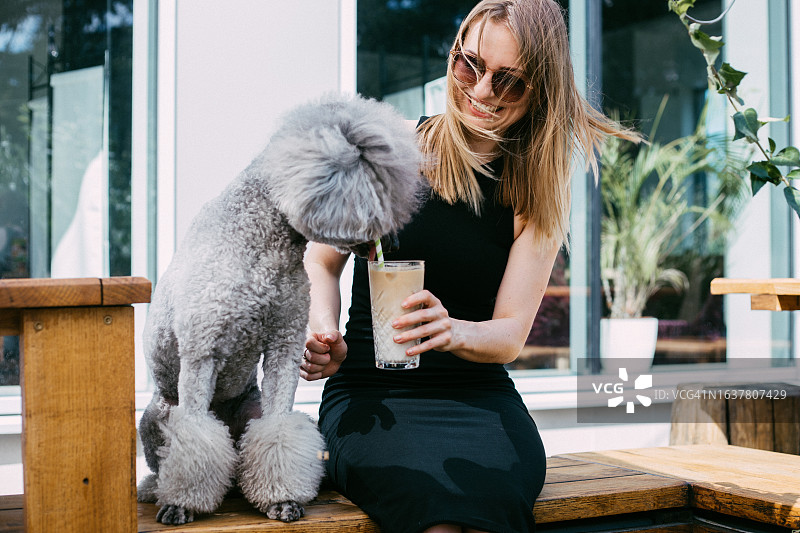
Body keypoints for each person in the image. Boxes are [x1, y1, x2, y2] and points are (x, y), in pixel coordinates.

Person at [301, 1, 635, 531]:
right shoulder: (391, 150)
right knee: (435, 513)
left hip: (480, 398)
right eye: (469, 64)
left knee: (488, 509)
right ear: (453, 55)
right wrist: (324, 331)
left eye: (509, 82)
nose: (481, 91)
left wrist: (452, 330)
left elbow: (509, 336)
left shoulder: (534, 191)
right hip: (372, 395)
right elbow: (321, 261)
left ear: (539, 91)